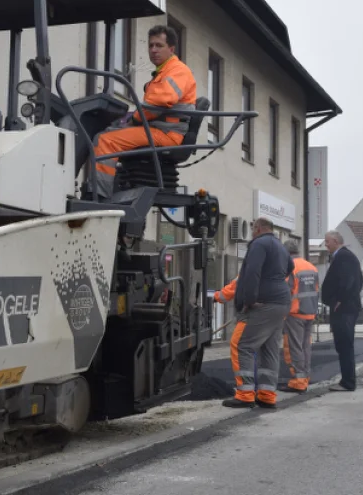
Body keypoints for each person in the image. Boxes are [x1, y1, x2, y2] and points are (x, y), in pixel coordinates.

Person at [91, 25, 198, 199]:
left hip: (167, 133)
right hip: (159, 129)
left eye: (159, 45)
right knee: (108, 132)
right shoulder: (164, 72)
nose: (153, 50)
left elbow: (159, 102)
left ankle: (98, 196)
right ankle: (107, 186)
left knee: (106, 141)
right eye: (151, 46)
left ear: (171, 49)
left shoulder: (177, 71)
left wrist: (134, 119)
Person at [223, 218, 294, 409]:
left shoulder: (259, 244)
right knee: (269, 349)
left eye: (253, 229)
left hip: (263, 305)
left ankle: (245, 394)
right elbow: (290, 268)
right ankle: (267, 394)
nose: (252, 233)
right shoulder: (280, 246)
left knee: (241, 345)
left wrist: (249, 300)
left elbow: (252, 272)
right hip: (281, 303)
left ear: (259, 228)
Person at [320, 230, 363, 392]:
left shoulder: (343, 257)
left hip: (344, 309)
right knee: (343, 344)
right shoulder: (345, 257)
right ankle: (347, 380)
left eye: (328, 241)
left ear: (336, 241)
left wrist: (339, 300)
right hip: (346, 307)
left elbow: (349, 281)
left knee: (344, 345)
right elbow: (360, 279)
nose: (326, 244)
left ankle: (348, 382)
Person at [281, 239, 319, 394]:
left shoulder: (290, 268)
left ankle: (298, 381)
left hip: (295, 313)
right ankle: (305, 377)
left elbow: (286, 291)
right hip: (310, 312)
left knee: (295, 347)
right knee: (305, 347)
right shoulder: (311, 267)